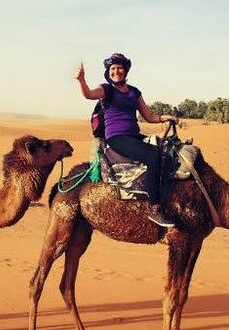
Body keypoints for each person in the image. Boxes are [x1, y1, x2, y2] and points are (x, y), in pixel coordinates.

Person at [75, 53, 179, 227]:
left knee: (167, 152)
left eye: (119, 68)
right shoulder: (106, 90)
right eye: (113, 68)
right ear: (108, 72)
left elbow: (149, 116)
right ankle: (154, 207)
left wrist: (165, 117)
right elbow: (88, 95)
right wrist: (81, 80)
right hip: (116, 138)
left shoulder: (134, 92)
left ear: (125, 70)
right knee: (152, 156)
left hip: (134, 135)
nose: (116, 71)